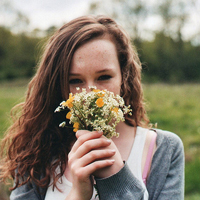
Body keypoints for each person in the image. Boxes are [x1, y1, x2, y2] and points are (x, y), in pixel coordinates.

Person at [0, 15, 184, 200]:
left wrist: (116, 179)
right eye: (75, 81)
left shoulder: (163, 150)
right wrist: (77, 195)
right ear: (58, 85)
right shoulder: (37, 150)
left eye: (104, 77)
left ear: (123, 76)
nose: (90, 93)